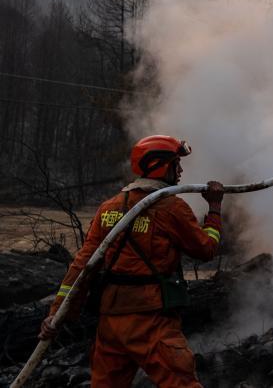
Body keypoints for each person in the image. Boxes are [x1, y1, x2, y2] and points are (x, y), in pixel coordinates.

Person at [40, 135, 225, 387]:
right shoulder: (171, 209)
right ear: (160, 166)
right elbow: (206, 249)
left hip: (111, 324)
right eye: (176, 164)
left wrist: (56, 314)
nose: (180, 171)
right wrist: (214, 209)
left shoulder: (109, 208)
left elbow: (83, 266)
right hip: (151, 321)